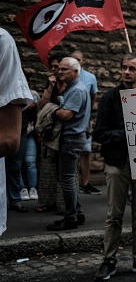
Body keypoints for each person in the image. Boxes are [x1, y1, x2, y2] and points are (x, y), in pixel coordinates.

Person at [93, 53, 136, 281]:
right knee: (114, 215)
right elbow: (100, 134)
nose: (126, 72)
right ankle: (108, 260)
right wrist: (127, 133)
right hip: (116, 163)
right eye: (124, 68)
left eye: (132, 69)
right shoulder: (110, 98)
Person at [46, 57, 90, 231]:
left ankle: (71, 216)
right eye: (60, 69)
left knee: (66, 179)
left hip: (71, 137)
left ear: (75, 72)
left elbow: (67, 115)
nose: (60, 72)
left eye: (64, 69)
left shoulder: (77, 90)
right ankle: (77, 213)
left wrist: (52, 109)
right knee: (67, 178)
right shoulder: (73, 87)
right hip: (72, 137)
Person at [0, 27, 34, 230]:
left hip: (26, 135)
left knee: (24, 165)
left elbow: (8, 139)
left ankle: (17, 198)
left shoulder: (2, 41)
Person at [36, 53, 67, 213]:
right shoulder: (51, 84)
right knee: (48, 167)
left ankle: (64, 204)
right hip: (50, 132)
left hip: (65, 133)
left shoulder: (71, 85)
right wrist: (49, 86)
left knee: (65, 169)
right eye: (53, 67)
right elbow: (41, 106)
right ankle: (47, 202)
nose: (55, 70)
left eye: (58, 67)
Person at [71, 50, 101, 196]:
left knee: (86, 151)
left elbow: (93, 96)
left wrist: (87, 111)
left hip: (85, 120)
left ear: (83, 61)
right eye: (73, 59)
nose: (75, 61)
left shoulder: (90, 78)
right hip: (69, 120)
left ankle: (86, 183)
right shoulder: (67, 75)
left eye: (78, 59)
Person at [18, 72, 40, 201]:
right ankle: (22, 188)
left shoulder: (33, 94)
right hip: (18, 131)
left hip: (30, 131)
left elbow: (38, 114)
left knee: (30, 162)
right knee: (17, 163)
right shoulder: (13, 95)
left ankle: (33, 188)